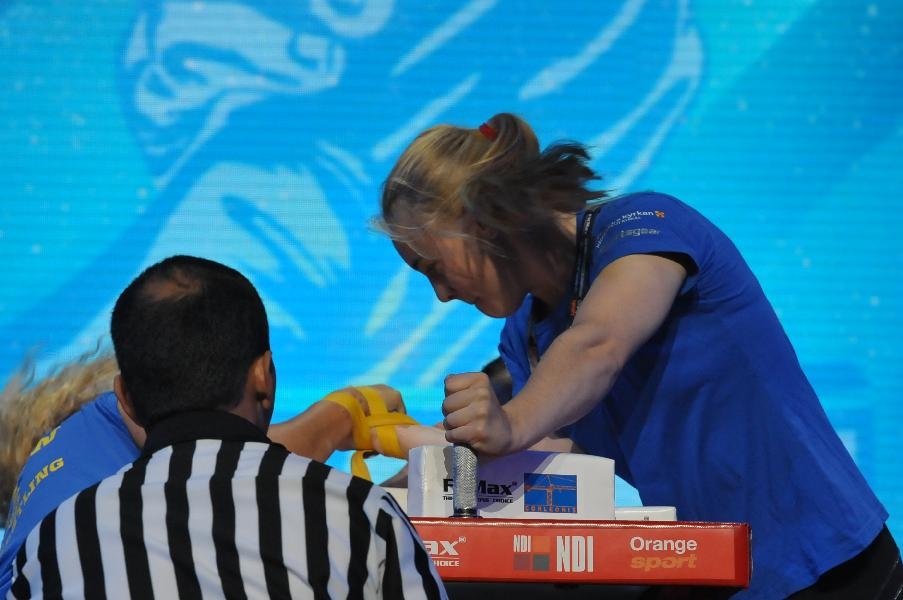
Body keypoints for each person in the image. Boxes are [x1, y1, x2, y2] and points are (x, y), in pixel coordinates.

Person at [377, 112, 902, 599]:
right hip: (713, 577)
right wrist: (376, 496)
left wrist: (508, 422)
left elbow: (598, 344)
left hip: (835, 568)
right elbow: (551, 450)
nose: (441, 294)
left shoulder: (643, 226)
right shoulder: (524, 334)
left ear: (478, 224)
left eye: (432, 266)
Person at [7, 255, 446, 599]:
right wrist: (347, 410)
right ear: (264, 375)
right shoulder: (360, 514)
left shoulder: (55, 539)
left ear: (124, 398)